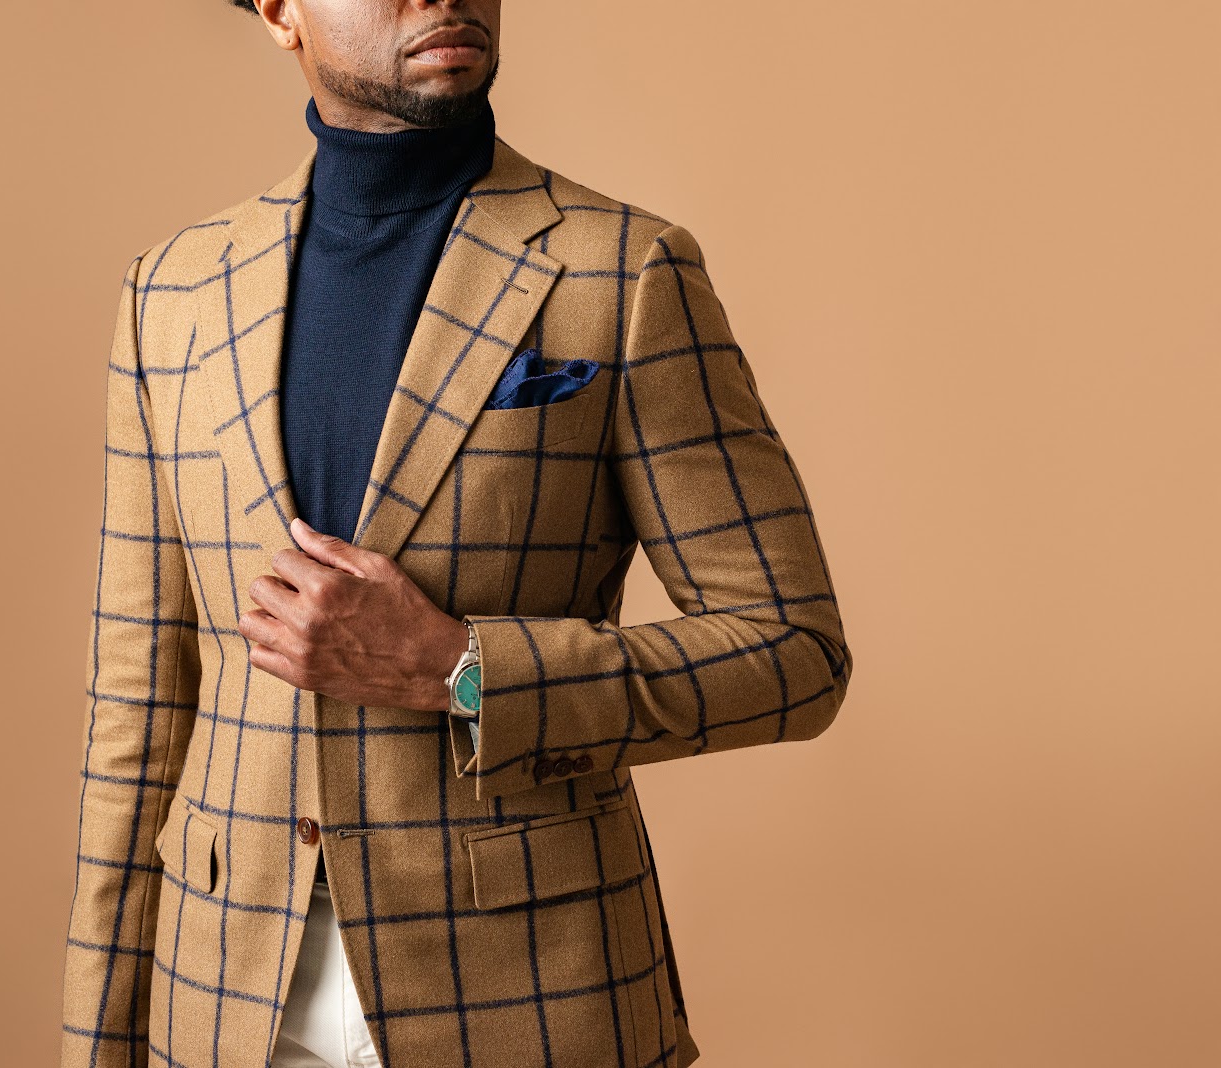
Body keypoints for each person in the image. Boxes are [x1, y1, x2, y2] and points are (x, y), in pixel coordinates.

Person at [60, 2, 853, 1066]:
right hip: (225, 1001)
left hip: (532, 995)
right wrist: (97, 1041)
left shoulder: (624, 269)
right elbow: (137, 707)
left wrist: (461, 669)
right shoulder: (173, 294)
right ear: (279, 13)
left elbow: (794, 651)